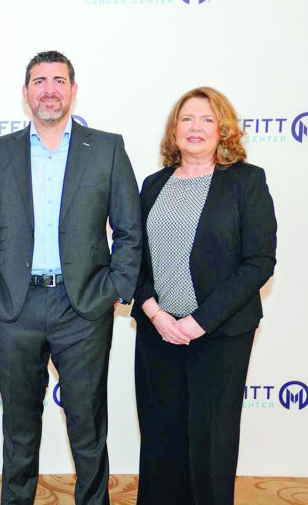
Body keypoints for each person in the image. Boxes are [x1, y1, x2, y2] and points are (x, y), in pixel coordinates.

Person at [0, 50, 142, 505]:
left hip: (84, 308)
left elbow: (130, 229)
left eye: (58, 80)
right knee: (19, 429)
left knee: (88, 428)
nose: (49, 89)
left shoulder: (106, 147)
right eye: (39, 81)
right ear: (26, 93)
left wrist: (114, 290)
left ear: (72, 90)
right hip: (14, 310)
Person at [132, 87, 277, 505]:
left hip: (219, 335)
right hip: (158, 332)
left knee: (210, 444)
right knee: (161, 440)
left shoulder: (246, 181)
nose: (195, 128)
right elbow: (134, 260)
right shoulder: (153, 184)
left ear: (223, 129)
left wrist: (199, 321)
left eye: (207, 119)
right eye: (187, 119)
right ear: (174, 130)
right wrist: (156, 313)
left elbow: (259, 261)